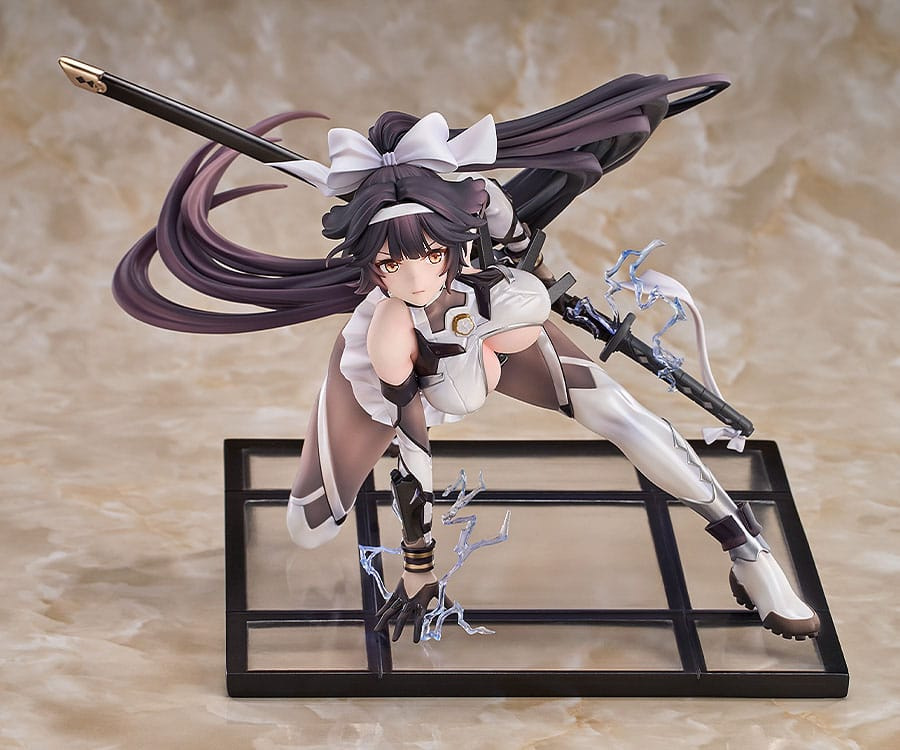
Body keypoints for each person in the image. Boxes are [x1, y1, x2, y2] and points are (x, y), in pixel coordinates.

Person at [111, 74, 820, 643]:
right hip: (419, 368)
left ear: (453, 237)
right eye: (392, 262)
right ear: (370, 264)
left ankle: (747, 550)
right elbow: (414, 444)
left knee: (621, 412)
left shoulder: (484, 210)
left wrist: (526, 267)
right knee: (310, 522)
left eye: (428, 254)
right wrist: (419, 565)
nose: (416, 275)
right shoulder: (387, 331)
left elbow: (522, 248)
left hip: (493, 329)